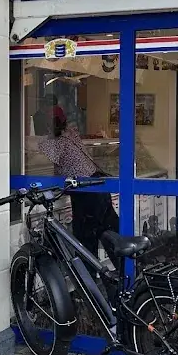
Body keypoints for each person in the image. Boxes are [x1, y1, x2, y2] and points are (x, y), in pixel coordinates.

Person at [38, 110, 119, 261]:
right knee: (110, 230)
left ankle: (90, 279)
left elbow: (36, 153)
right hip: (97, 184)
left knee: (86, 237)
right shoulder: (71, 134)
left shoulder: (56, 144)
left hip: (85, 191)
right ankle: (125, 272)